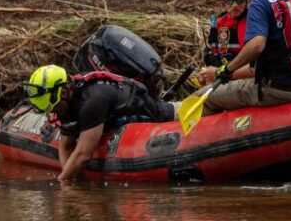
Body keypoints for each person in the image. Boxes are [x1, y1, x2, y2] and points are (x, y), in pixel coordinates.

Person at [24, 64, 177, 182]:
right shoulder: (65, 103)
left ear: (64, 91)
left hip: (166, 117)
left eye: (55, 107)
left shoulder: (93, 100)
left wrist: (62, 184)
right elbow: (66, 146)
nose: (55, 112)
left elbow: (83, 155)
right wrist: (71, 178)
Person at [198, 0, 255, 85]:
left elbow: (259, 67)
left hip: (247, 82)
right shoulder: (218, 23)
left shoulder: (256, 22)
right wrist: (206, 73)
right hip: (223, 80)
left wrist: (221, 74)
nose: (234, 5)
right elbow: (213, 57)